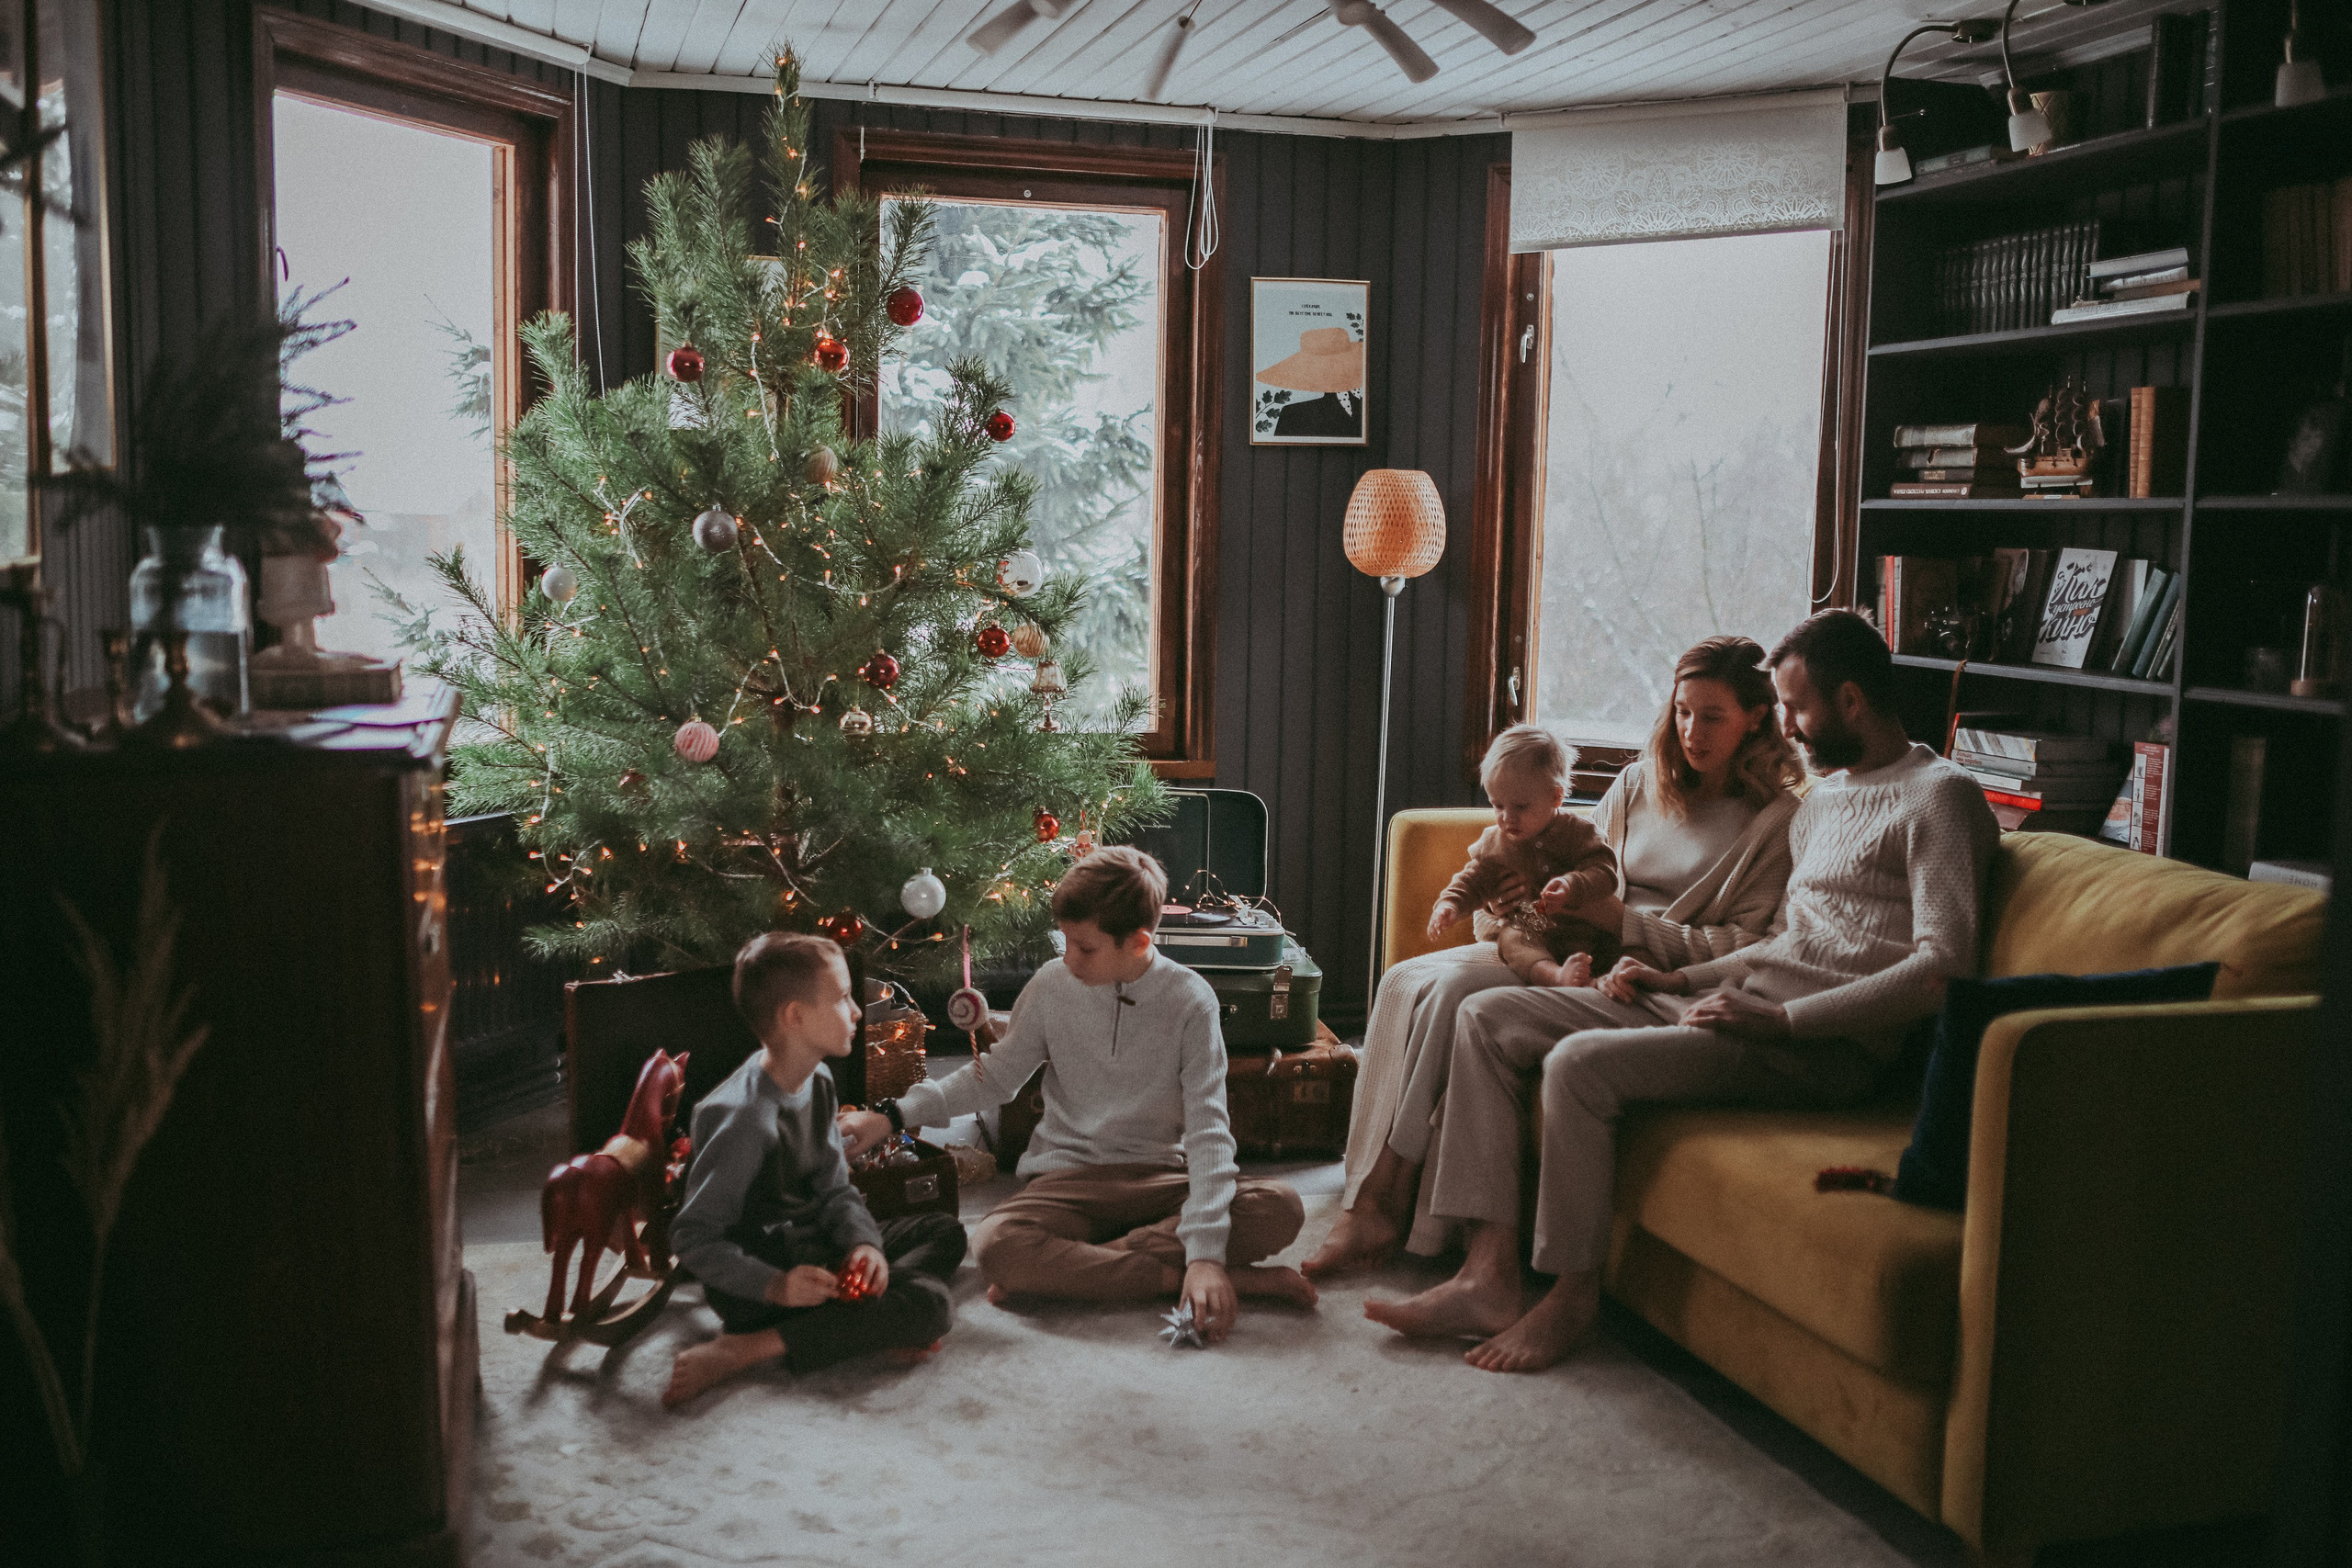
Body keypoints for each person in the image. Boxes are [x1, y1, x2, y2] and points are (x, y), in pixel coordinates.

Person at [1366, 609, 1999, 1372]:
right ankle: (1489, 1275)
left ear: (1852, 700)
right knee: (1488, 1016)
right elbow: (1783, 942)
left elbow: (1944, 966)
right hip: (1738, 1002)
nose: (1790, 729)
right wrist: (1676, 975)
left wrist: (1787, 1021)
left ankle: (1571, 1296)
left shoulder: (1943, 797)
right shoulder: (1828, 802)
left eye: (1797, 708)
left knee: (1577, 1067)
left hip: (1817, 1047)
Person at [1306, 635, 1804, 1279]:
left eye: (1713, 716)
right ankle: (1379, 1197)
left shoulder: (1776, 820)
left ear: (1758, 717)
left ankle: (1383, 1203)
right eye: (1682, 711)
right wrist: (1510, 910)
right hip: (1565, 947)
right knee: (1412, 979)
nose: (1691, 731)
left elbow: (1746, 945)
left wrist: (1622, 924)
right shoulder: (1636, 785)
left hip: (1640, 975)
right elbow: (1535, 871)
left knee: (1460, 995)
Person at [842, 847, 1316, 1344]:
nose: (1069, 958)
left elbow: (1208, 1130)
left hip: (1160, 1180)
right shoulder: (1052, 984)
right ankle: (1186, 1279)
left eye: (1084, 947)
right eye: (1064, 941)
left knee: (1279, 1206)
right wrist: (892, 1117)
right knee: (997, 1244)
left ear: (1138, 942)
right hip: (1066, 1181)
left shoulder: (1191, 1000)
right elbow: (994, 1077)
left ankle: (1089, 1272)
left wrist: (1204, 1252)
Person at [663, 932, 968, 1408]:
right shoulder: (743, 1118)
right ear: (796, 1017)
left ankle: (855, 1316)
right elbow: (693, 1239)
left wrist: (864, 1246)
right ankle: (747, 1347)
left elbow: (834, 1187)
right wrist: (776, 1286)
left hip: (816, 1246)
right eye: (844, 998)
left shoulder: (818, 1081)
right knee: (931, 1304)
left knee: (946, 1232)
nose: (858, 1012)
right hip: (762, 1283)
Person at [1428, 725, 1623, 990]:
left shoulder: (1579, 833)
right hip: (1531, 932)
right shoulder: (1495, 842)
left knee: (1620, 949)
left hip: (1585, 932)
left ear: (1556, 796)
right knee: (1511, 938)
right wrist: (1449, 905)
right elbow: (1471, 881)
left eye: (1520, 807)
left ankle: (1596, 980)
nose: (1507, 818)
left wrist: (1571, 885)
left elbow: (1605, 873)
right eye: (1498, 806)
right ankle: (1554, 976)